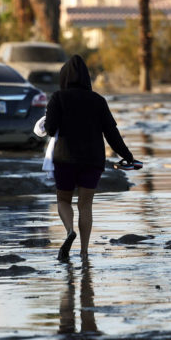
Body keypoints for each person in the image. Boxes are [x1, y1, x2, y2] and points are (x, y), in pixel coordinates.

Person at [43, 54, 135, 261]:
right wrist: (127, 156)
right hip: (92, 160)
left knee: (63, 200)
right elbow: (112, 133)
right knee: (85, 205)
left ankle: (69, 231)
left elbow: (49, 130)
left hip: (65, 158)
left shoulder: (58, 97)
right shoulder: (98, 101)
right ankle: (84, 252)